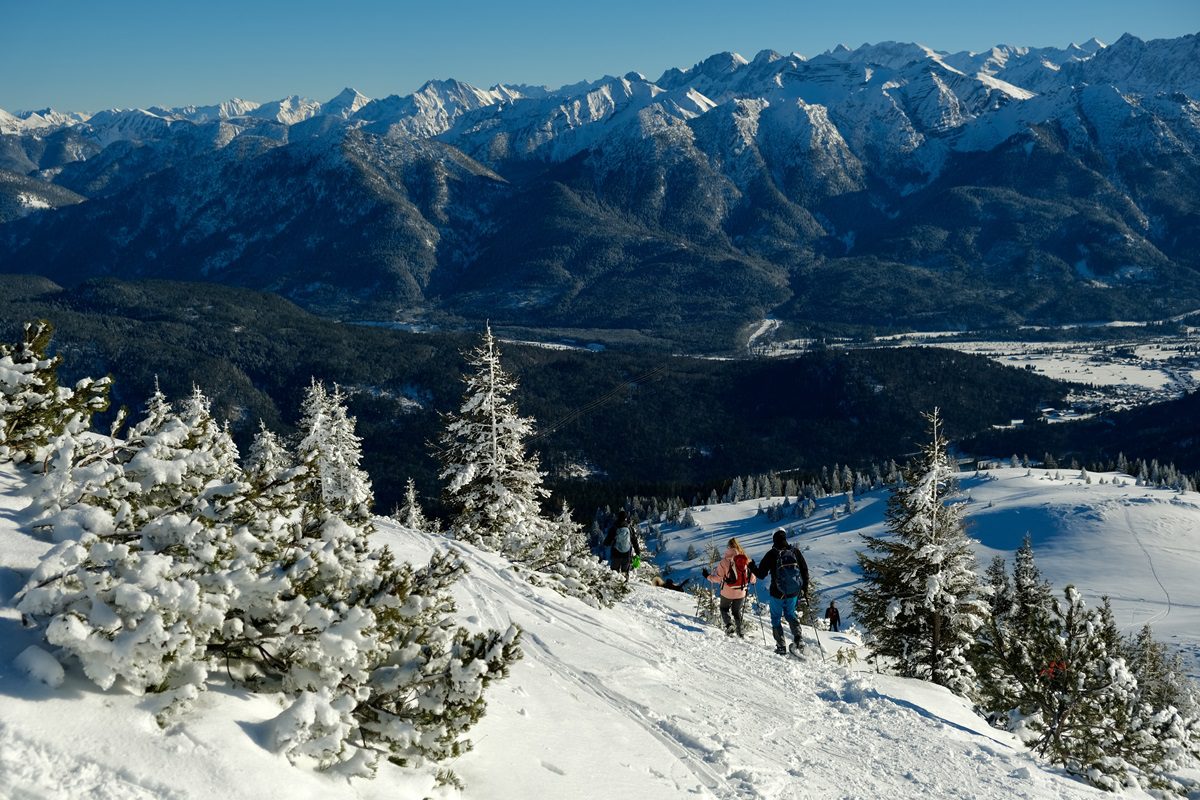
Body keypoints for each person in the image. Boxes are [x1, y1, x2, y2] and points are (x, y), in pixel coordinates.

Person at [749, 529, 810, 655]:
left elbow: (761, 574)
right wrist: (804, 589)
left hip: (777, 593)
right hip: (793, 592)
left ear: (773, 538)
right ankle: (799, 640)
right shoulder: (795, 552)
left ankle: (781, 646)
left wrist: (752, 567)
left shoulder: (771, 554)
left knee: (776, 618)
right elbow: (804, 571)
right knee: (790, 614)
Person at [701, 537, 757, 637]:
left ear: (728, 547)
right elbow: (752, 578)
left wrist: (707, 576)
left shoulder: (724, 562)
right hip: (741, 591)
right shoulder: (745, 559)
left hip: (727, 591)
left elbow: (718, 579)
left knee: (724, 608)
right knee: (736, 612)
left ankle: (729, 625)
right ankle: (740, 632)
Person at [603, 511, 641, 577]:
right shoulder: (629, 528)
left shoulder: (614, 528)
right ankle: (625, 585)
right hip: (627, 554)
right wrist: (638, 552)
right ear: (626, 518)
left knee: (614, 574)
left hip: (616, 554)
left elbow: (607, 542)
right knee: (625, 573)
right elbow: (634, 541)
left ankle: (615, 586)